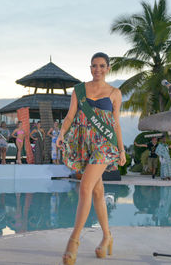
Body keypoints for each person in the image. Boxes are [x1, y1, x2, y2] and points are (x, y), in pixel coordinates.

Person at [56, 52, 126, 264]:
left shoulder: (114, 93)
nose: (98, 69)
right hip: (83, 142)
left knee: (85, 187)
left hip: (104, 145)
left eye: (102, 66)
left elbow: (115, 124)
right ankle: (107, 237)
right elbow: (70, 116)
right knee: (97, 190)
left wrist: (121, 150)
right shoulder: (79, 90)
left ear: (108, 68)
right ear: (90, 68)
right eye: (94, 66)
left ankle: (74, 240)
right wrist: (61, 133)